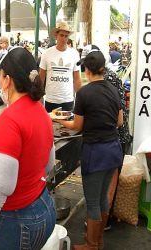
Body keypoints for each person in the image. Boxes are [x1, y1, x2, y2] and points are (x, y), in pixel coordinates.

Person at [0, 47, 56, 250]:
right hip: (42, 207)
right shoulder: (41, 111)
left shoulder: (10, 121)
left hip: (15, 221)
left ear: (8, 80)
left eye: (1, 75)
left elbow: (0, 186)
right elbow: (48, 164)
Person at [56, 49, 123, 250]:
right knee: (102, 198)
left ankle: (91, 245)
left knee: (92, 201)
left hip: (96, 153)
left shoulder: (84, 93)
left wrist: (57, 119)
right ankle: (98, 241)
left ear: (86, 70)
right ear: (103, 68)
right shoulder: (112, 89)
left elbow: (76, 126)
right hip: (113, 150)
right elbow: (119, 122)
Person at [39, 21, 81, 112]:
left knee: (67, 125)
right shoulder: (46, 54)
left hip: (68, 100)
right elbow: (41, 77)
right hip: (51, 99)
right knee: (50, 125)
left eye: (66, 36)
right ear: (56, 36)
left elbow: (77, 78)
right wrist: (39, 96)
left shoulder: (74, 54)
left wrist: (80, 98)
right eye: (61, 35)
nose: (64, 38)